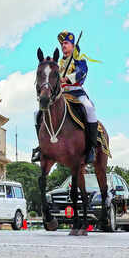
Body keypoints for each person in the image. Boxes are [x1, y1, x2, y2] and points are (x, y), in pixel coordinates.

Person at [32, 30, 99, 164]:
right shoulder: (57, 64)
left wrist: (66, 79)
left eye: (66, 43)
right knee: (37, 113)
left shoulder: (79, 60)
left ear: (73, 46)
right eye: (62, 44)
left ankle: (91, 147)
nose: (63, 46)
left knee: (89, 109)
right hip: (60, 95)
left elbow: (81, 73)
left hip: (76, 93)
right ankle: (41, 146)